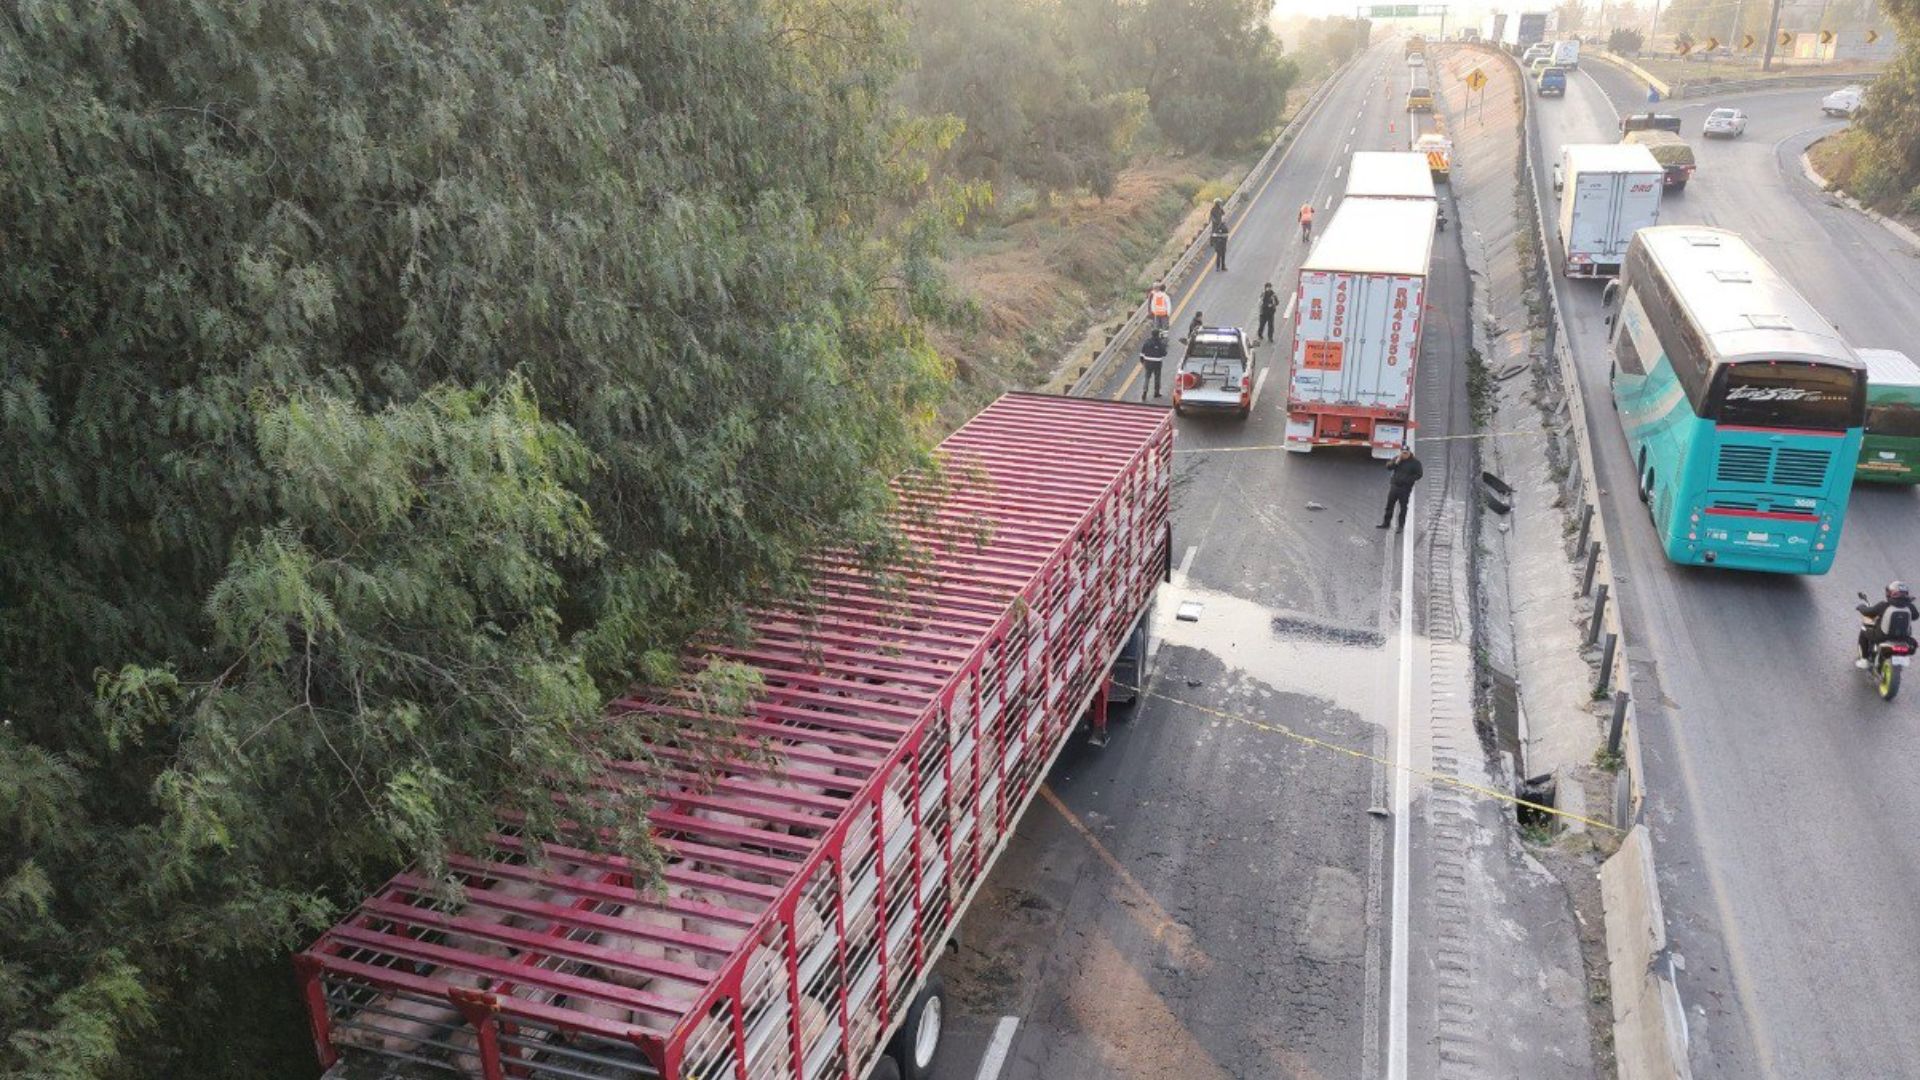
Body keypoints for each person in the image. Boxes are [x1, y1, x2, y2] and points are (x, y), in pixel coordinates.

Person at [1856, 581, 1920, 669]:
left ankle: (1864, 660)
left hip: (1882, 636)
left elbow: (1868, 612)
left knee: (1864, 630)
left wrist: (1861, 607)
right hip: (1903, 638)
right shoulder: (1909, 607)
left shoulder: (1884, 605)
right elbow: (1915, 616)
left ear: (1890, 593)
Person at [1378, 447, 1423, 532]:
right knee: (1389, 506)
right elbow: (1388, 467)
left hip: (1405, 488)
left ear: (1409, 453)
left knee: (1403, 507)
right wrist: (1396, 462)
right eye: (1403, 453)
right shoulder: (1397, 459)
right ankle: (1386, 523)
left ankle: (1400, 526)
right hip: (1394, 486)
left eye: (1406, 453)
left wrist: (1408, 480)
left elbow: (1419, 474)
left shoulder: (1415, 463)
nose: (1404, 454)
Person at [1138, 328, 1168, 400]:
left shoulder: (1147, 342)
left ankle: (1144, 392)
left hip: (1148, 363)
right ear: (1158, 334)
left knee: (1147, 377)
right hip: (1157, 363)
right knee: (1157, 378)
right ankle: (1156, 393)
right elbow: (1164, 353)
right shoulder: (1160, 343)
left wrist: (1142, 361)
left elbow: (1142, 353)